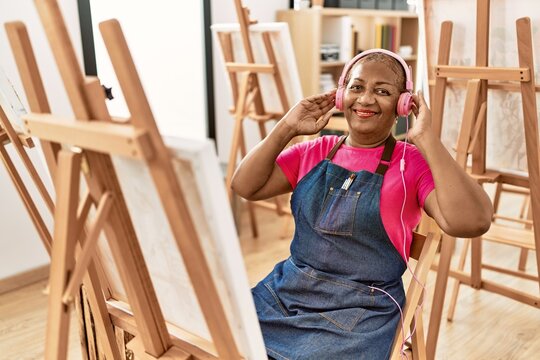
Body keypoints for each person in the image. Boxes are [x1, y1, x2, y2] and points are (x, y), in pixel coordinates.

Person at [231, 49, 493, 359]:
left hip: (361, 310)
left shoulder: (411, 163)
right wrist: (287, 127)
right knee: (227, 330)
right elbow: (245, 186)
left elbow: (473, 221)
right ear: (341, 95)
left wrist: (427, 140)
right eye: (357, 87)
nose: (366, 99)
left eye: (382, 91)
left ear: (403, 104)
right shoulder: (315, 151)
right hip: (288, 291)